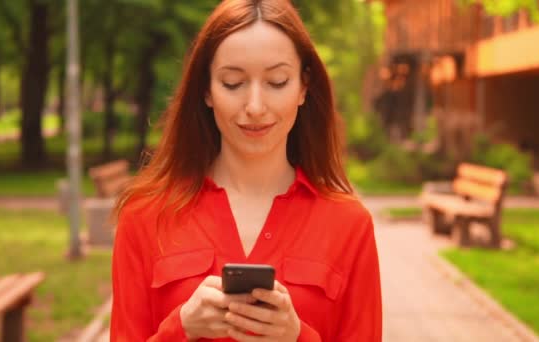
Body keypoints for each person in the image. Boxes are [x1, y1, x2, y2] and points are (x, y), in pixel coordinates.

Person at [111, 0, 382, 340]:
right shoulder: (145, 216)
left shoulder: (350, 225)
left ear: (303, 87)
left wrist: (296, 336)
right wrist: (181, 328)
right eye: (233, 83)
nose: (255, 107)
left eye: (277, 81)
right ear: (206, 90)